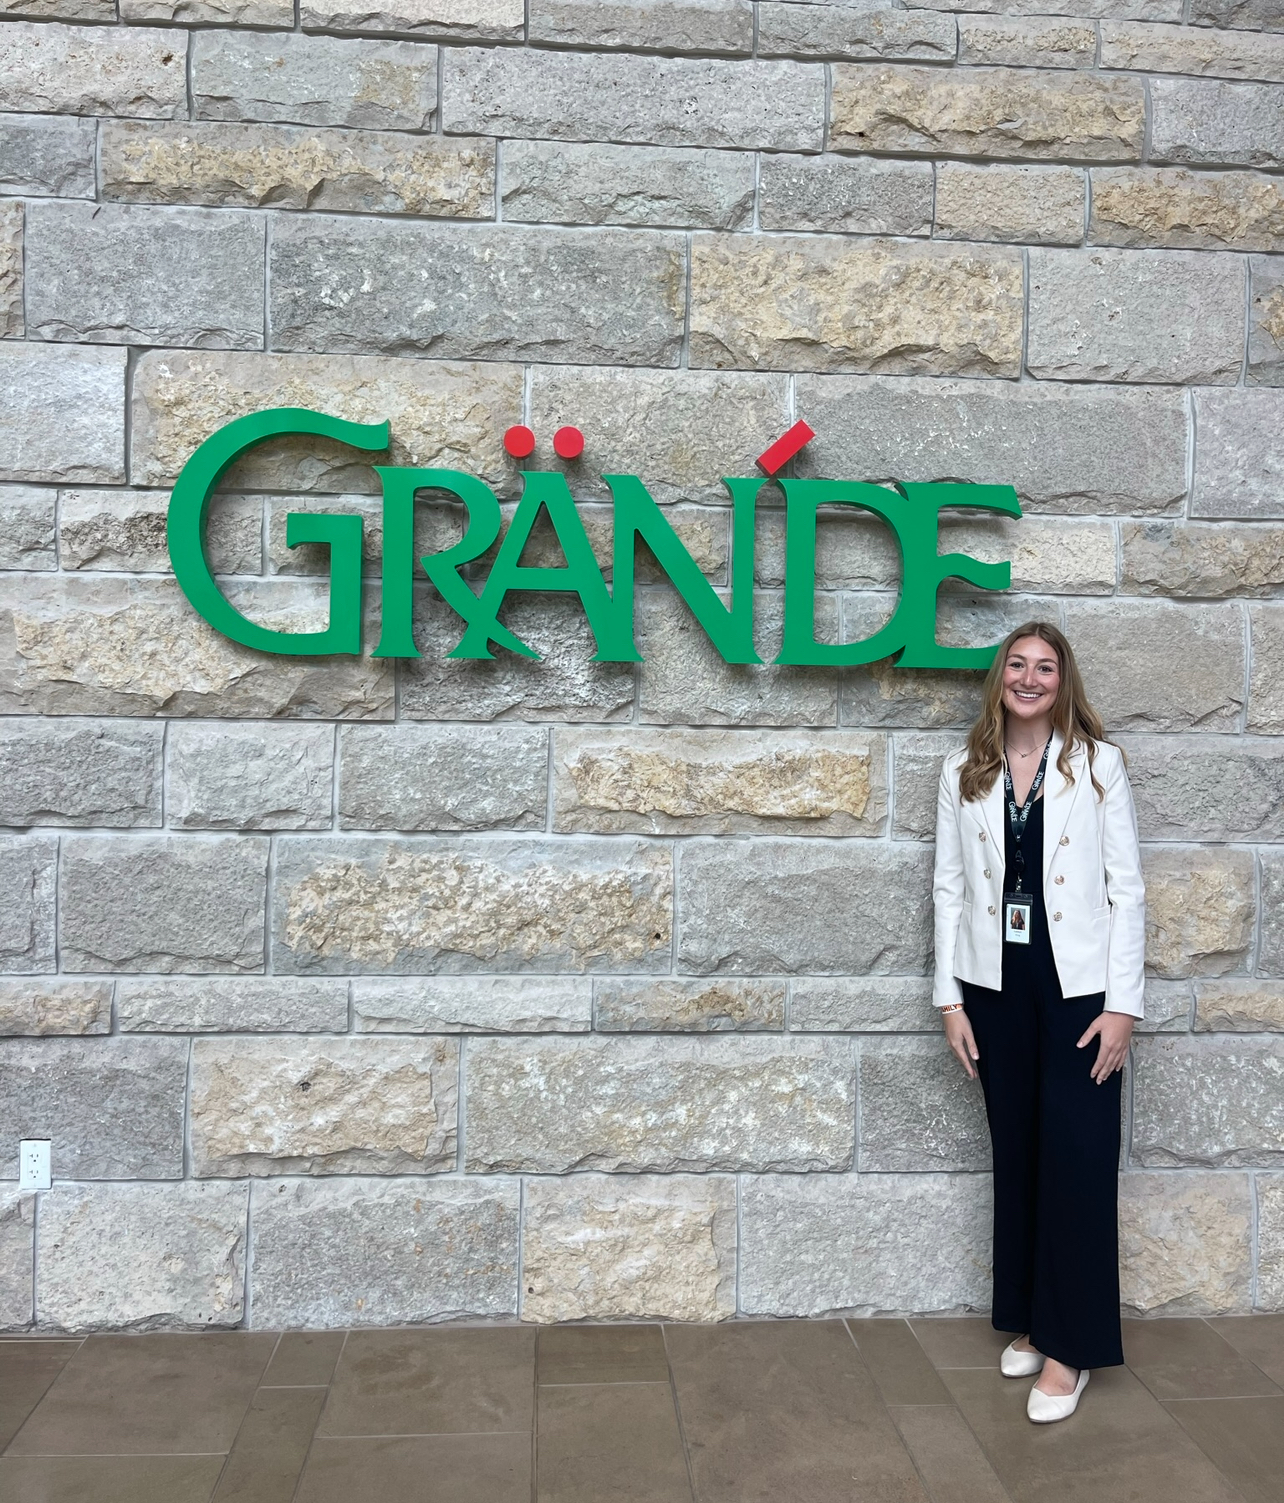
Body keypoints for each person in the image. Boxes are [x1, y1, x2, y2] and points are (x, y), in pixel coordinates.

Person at [933, 621, 1145, 1424]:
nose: (1029, 677)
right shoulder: (963, 767)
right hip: (994, 983)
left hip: (1081, 987)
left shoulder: (1099, 765)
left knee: (1079, 1156)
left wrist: (1122, 1005)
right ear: (1001, 678)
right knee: (1019, 1152)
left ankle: (1072, 1347)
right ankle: (1029, 1316)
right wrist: (948, 998)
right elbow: (947, 889)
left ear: (1064, 679)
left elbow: (1128, 890)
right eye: (1016, 665)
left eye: (1044, 666)